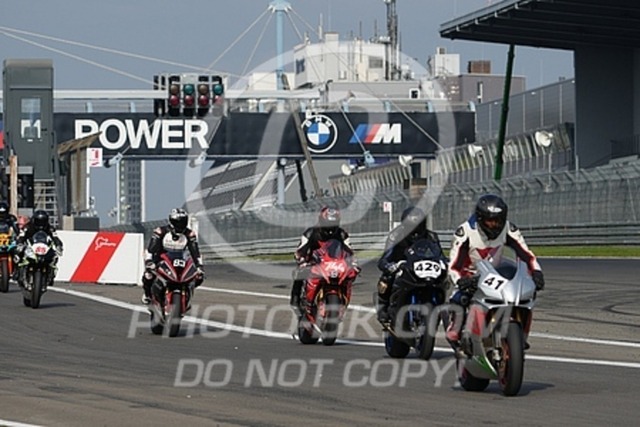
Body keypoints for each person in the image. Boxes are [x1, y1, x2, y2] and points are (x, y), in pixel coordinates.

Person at [445, 194, 545, 346]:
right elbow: (454, 265)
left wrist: (536, 272)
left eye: (498, 220)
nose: (494, 225)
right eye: (489, 221)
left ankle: (521, 336)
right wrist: (460, 280)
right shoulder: (465, 231)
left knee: (526, 296)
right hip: (471, 276)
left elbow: (526, 254)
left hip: (496, 274)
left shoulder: (509, 229)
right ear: (480, 219)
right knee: (460, 298)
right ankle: (455, 327)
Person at [375, 206, 444, 323]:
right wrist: (390, 266)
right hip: (401, 267)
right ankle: (383, 307)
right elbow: (384, 259)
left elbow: (440, 255)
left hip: (422, 269)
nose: (415, 230)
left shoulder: (431, 237)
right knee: (386, 278)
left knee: (441, 281)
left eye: (418, 225)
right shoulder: (395, 236)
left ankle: (438, 307)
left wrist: (445, 263)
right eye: (411, 226)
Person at [289, 206, 353, 314]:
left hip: (334, 264)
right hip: (314, 263)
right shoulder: (310, 233)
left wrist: (352, 262)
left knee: (349, 277)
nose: (330, 228)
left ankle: (342, 301)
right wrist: (302, 259)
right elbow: (300, 250)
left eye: (333, 224)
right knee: (299, 272)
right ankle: (296, 300)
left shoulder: (342, 234)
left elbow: (349, 251)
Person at [140, 208, 204, 304]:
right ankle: (147, 294)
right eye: (178, 222)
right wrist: (149, 262)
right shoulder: (160, 231)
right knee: (148, 275)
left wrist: (199, 266)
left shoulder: (190, 234)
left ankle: (188, 292)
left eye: (183, 222)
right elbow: (150, 250)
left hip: (181, 259)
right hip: (161, 258)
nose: (180, 225)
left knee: (199, 277)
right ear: (171, 222)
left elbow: (195, 252)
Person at [15, 209, 64, 285]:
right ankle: (18, 272)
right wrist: (20, 244)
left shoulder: (50, 228)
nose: (41, 224)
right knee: (18, 254)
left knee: (54, 256)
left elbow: (55, 238)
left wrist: (59, 246)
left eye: (43, 221)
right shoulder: (27, 227)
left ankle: (50, 274)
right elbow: (21, 236)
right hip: (31, 246)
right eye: (39, 221)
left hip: (43, 248)